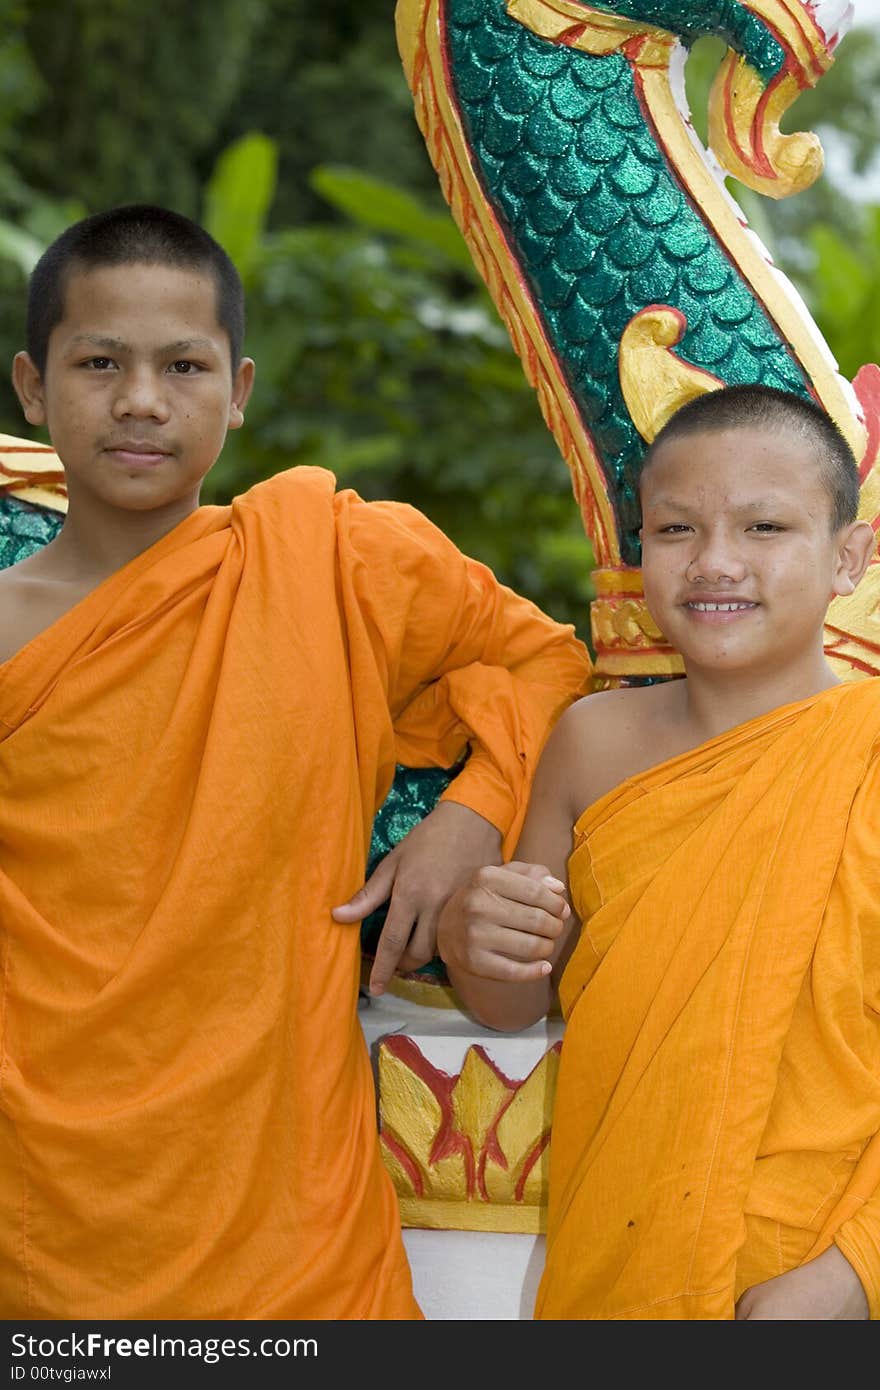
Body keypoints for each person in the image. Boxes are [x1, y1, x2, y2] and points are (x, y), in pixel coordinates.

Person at [0, 203, 592, 1319]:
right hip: (46, 1207)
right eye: (99, 362)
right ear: (34, 387)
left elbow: (546, 660)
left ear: (239, 391)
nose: (141, 399)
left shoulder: (328, 561)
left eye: (184, 364)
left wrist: (471, 813)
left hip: (292, 1226)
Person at [437, 383, 880, 1320]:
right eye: (675, 532)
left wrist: (852, 1273)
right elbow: (515, 1000)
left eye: (764, 528)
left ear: (850, 558)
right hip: (623, 1256)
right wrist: (481, 940)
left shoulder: (869, 751)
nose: (716, 563)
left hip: (819, 1272)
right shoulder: (591, 743)